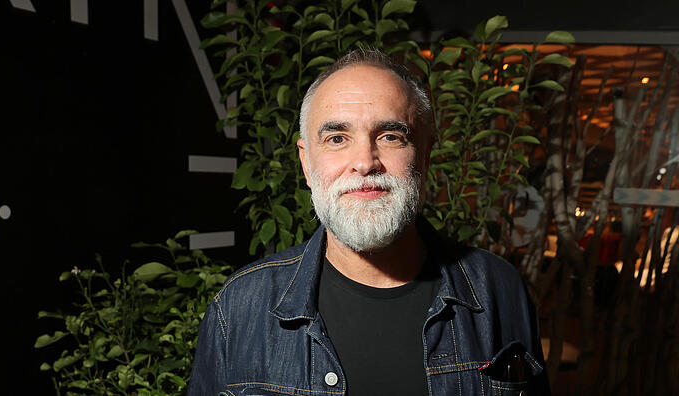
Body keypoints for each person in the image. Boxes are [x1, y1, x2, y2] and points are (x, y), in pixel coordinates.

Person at [189, 49, 549, 396]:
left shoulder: (498, 289)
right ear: (306, 163)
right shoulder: (237, 307)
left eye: (390, 136)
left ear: (423, 153)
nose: (365, 162)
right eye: (337, 138)